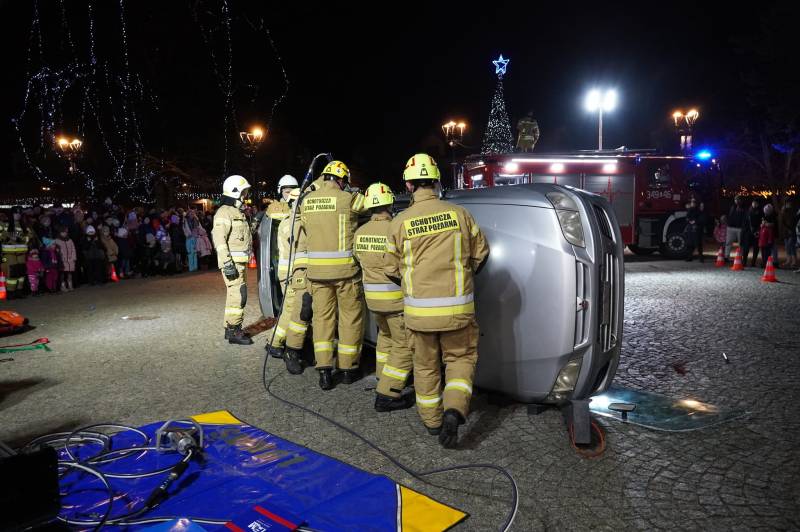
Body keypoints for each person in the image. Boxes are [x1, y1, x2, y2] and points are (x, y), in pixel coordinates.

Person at [387, 153, 489, 448]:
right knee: (460, 361)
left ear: (409, 185)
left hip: (419, 315)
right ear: (436, 181)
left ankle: (432, 423)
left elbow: (390, 269)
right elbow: (481, 255)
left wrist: (413, 286)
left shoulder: (399, 222)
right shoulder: (460, 214)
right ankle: (454, 410)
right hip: (458, 311)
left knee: (425, 367)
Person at [301, 160, 368, 390]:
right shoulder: (349, 199)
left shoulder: (307, 201)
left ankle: (324, 371)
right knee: (350, 319)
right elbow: (370, 206)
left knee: (322, 320)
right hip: (345, 273)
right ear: (342, 179)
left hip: (317, 274)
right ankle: (348, 369)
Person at [354, 182, 414, 412]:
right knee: (404, 344)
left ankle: (383, 375)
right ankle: (387, 392)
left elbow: (358, 259)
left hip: (373, 300)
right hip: (395, 299)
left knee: (386, 338)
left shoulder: (360, 232)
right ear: (389, 204)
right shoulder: (394, 228)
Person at [212, 175, 263, 345]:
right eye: (243, 192)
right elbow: (219, 240)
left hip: (239, 263)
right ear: (235, 192)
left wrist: (256, 221)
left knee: (235, 295)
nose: (245, 195)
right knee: (238, 295)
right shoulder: (224, 212)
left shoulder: (237, 212)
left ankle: (230, 329)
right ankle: (234, 330)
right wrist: (227, 263)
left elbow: (244, 236)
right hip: (232, 263)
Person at [1, 207, 38, 298]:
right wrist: (8, 238)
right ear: (11, 214)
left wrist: (20, 239)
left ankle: (19, 291)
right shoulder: (4, 224)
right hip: (9, 253)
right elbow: (1, 236)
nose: (18, 215)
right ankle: (11, 292)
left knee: (21, 273)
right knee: (11, 274)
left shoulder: (24, 225)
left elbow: (30, 237)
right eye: (16, 213)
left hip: (22, 253)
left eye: (19, 213)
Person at [55, 226, 76, 291]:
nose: (64, 233)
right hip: (62, 260)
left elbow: (73, 249)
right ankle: (63, 286)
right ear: (60, 232)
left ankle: (70, 284)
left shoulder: (70, 240)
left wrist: (73, 257)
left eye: (66, 232)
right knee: (62, 273)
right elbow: (56, 251)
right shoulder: (57, 240)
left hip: (70, 259)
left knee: (69, 272)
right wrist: (60, 258)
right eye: (63, 232)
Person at [725, 195, 746, 260]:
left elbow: (745, 218)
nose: (736, 201)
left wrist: (743, 226)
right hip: (730, 227)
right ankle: (726, 256)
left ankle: (740, 257)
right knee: (728, 242)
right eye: (735, 199)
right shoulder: (732, 207)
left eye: (738, 199)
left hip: (739, 228)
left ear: (741, 200)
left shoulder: (744, 208)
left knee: (741, 243)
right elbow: (728, 215)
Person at [742, 200, 762, 267]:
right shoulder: (748, 211)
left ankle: (753, 262)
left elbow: (760, 222)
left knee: (756, 248)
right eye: (754, 203)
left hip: (756, 232)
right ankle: (744, 262)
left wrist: (758, 230)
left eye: (756, 203)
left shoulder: (760, 212)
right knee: (746, 248)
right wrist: (746, 231)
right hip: (748, 232)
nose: (755, 204)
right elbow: (744, 222)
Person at [779, 200, 797, 269]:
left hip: (792, 231)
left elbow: (794, 221)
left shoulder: (793, 211)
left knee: (791, 246)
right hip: (785, 232)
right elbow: (782, 221)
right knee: (787, 246)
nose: (788, 204)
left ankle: (794, 261)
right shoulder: (784, 211)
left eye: (789, 203)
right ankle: (788, 260)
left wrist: (791, 229)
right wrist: (782, 211)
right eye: (787, 203)